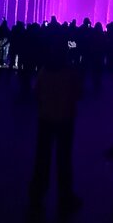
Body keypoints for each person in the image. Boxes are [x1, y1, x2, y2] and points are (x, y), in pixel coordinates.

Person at [28, 38, 83, 213]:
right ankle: (65, 196)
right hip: (65, 120)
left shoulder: (44, 71)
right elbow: (78, 93)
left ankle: (37, 192)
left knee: (42, 157)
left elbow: (36, 93)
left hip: (45, 119)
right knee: (64, 158)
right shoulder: (70, 72)